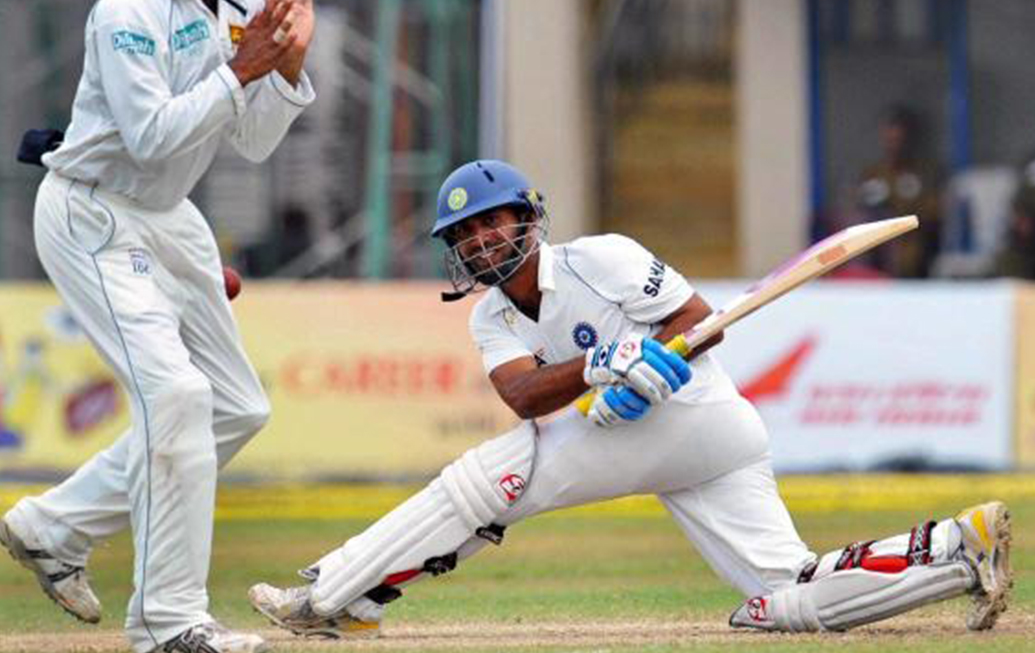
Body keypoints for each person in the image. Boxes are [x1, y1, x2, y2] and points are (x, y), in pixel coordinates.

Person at [247, 160, 1011, 638]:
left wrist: (649, 372)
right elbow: (520, 395)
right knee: (781, 596)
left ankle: (334, 597)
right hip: (693, 450)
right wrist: (601, 369)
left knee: (488, 481)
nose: (480, 241)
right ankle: (953, 551)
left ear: (528, 217)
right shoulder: (491, 315)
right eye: (465, 233)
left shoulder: (599, 258)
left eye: (491, 221)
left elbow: (696, 327)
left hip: (697, 416)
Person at [0, 0, 315, 653]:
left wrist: (284, 70)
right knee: (174, 397)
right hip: (93, 213)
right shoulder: (126, 9)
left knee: (238, 406)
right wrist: (244, 68)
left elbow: (247, 141)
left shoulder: (237, 4)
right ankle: (169, 625)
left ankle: (52, 526)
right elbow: (147, 138)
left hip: (168, 217)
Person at [854, 106, 941, 277]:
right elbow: (860, 207)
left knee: (911, 250)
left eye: (899, 140)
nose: (894, 146)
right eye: (890, 140)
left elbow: (933, 211)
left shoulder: (922, 173)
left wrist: (907, 213)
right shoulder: (874, 173)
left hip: (913, 239)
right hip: (878, 240)